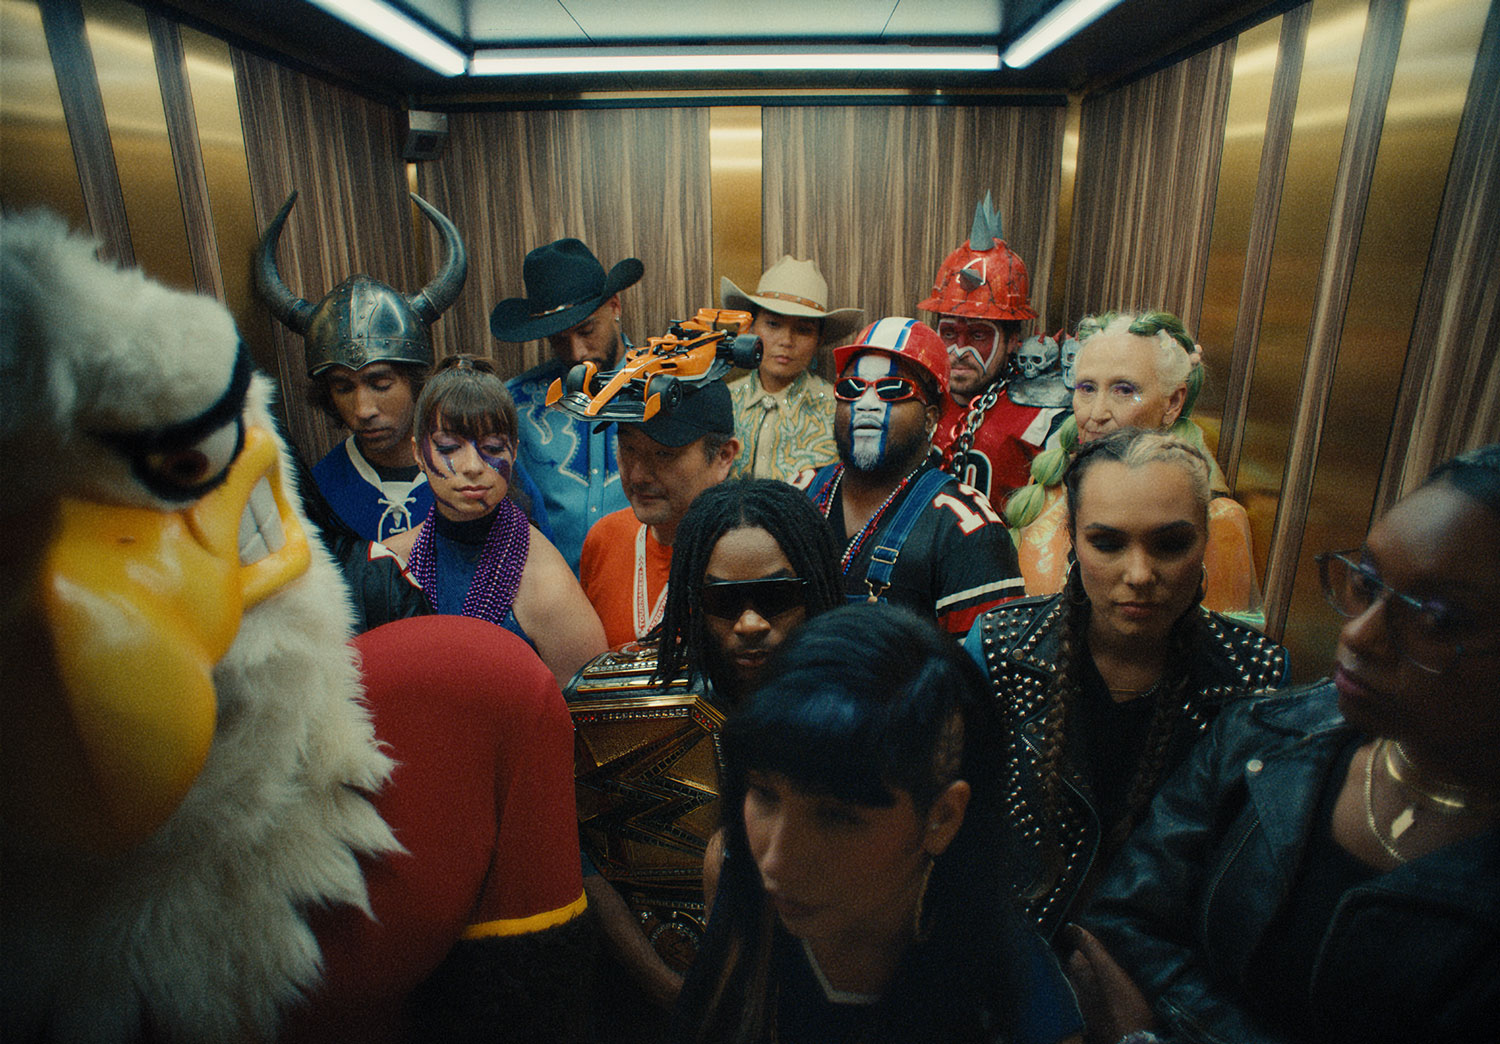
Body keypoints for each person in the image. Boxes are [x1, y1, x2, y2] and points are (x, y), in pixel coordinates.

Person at [1071, 443, 1500, 1044]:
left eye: (1438, 620)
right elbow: (1123, 921)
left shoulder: (1251, 678)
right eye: (1367, 584)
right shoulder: (1271, 733)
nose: (1358, 633)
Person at [668, 603, 1085, 1044]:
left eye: (836, 818)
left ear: (942, 817)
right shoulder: (738, 883)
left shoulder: (1017, 1000)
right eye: (765, 795)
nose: (776, 860)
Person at [964, 428, 1288, 940]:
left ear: (1205, 537)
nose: (1139, 573)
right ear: (1072, 537)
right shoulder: (1003, 649)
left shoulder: (1254, 678)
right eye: (1108, 543)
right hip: (1012, 958)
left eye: (1171, 544)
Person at [567, 479, 845, 1039]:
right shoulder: (612, 703)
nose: (749, 624)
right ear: (693, 599)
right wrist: (665, 987)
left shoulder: (870, 703)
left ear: (814, 587)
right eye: (722, 602)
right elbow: (578, 857)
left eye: (774, 597)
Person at [255, 190, 553, 546]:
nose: (363, 410)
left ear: (414, 381)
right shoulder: (323, 487)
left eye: (380, 383)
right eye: (343, 387)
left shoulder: (488, 471)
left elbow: (542, 571)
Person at [1007, 309, 1263, 629]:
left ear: (1172, 403)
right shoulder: (1047, 491)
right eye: (1087, 388)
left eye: (1124, 390)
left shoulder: (1215, 521)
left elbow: (1223, 661)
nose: (1096, 413)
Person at [383, 355, 606, 686]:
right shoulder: (390, 562)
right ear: (418, 452)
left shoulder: (546, 583)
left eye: (491, 447)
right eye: (449, 447)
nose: (473, 465)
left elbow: (592, 715)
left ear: (514, 451)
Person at [797, 317, 1024, 636]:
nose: (866, 404)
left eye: (892, 390)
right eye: (852, 389)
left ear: (930, 418)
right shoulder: (802, 493)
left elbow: (981, 675)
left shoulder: (967, 529)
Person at [492, 238, 638, 570]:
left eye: (587, 330)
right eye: (559, 339)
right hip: (552, 602)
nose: (576, 354)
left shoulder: (667, 390)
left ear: (615, 306)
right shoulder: (515, 405)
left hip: (648, 600)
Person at [923, 193, 1068, 505]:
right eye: (949, 332)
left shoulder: (1044, 419)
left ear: (1014, 339)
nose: (960, 350)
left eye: (978, 336)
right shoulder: (913, 397)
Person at [579, 379, 741, 648]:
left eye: (664, 454)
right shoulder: (605, 538)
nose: (639, 475)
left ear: (723, 456)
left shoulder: (749, 554)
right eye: (629, 448)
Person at [721, 256, 864, 481]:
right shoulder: (723, 402)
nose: (786, 340)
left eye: (803, 330)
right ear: (751, 326)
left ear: (819, 338)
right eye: (773, 324)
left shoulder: (839, 411)